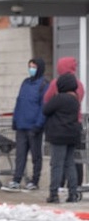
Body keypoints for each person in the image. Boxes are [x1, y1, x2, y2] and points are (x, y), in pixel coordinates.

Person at [6, 58, 49, 191]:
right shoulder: (25, 83)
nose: (31, 69)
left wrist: (38, 125)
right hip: (21, 125)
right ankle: (17, 179)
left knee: (36, 156)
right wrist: (15, 120)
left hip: (34, 126)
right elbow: (19, 102)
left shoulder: (44, 84)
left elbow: (44, 106)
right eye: (30, 66)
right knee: (20, 155)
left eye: (34, 67)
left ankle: (34, 181)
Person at [43, 72, 83, 203]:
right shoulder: (75, 99)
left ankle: (53, 194)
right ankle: (73, 193)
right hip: (72, 135)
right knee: (70, 164)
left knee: (57, 164)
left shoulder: (59, 98)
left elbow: (46, 110)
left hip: (59, 135)